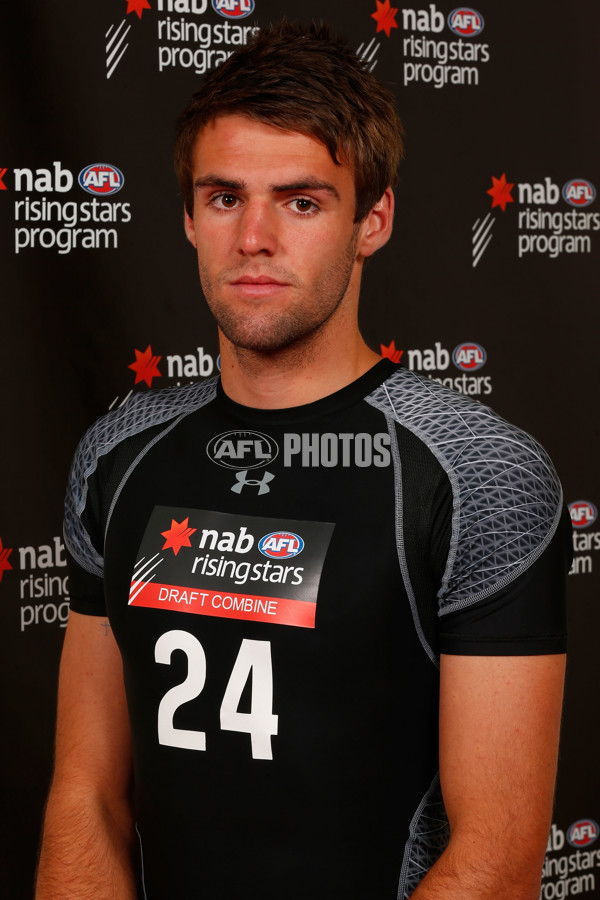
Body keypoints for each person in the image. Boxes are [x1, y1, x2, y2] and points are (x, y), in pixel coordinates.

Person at [36, 20, 571, 900]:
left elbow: (496, 861)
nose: (254, 238)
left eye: (301, 201)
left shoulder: (478, 472)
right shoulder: (117, 455)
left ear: (374, 219)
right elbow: (86, 795)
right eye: (223, 197)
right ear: (187, 216)